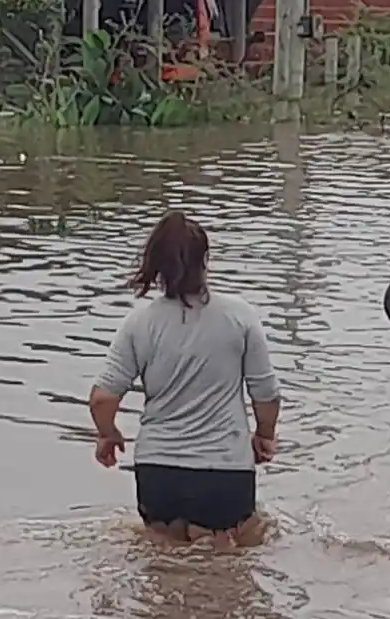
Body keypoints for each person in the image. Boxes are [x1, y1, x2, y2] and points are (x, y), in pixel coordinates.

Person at [88, 210, 279, 547]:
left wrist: (108, 434)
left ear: (156, 266)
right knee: (229, 576)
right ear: (206, 260)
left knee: (161, 570)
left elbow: (103, 398)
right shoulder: (240, 317)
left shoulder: (139, 324)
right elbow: (266, 395)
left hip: (159, 474)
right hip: (225, 475)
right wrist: (264, 436)